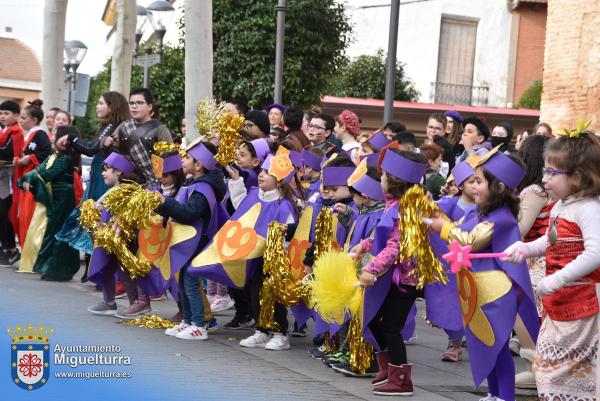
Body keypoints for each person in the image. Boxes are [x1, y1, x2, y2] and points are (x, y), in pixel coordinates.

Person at [428, 149, 539, 401]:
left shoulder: (500, 218)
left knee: (496, 346)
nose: (473, 186)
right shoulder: (480, 212)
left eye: (479, 181)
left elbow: (469, 240)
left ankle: (505, 396)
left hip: (495, 292)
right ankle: (493, 394)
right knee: (483, 345)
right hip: (478, 289)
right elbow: (460, 229)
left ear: (499, 187)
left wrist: (442, 227)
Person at [503, 128, 600, 400]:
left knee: (567, 371)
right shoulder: (561, 206)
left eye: (551, 173)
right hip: (559, 302)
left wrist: (556, 279)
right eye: (544, 171)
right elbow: (551, 240)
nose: (543, 179)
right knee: (546, 368)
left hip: (583, 303)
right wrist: (524, 248)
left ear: (577, 176)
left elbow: (595, 253)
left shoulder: (589, 208)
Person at [190, 147, 300, 350]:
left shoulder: (283, 205)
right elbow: (242, 208)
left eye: (267, 173)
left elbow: (289, 233)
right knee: (255, 293)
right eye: (262, 171)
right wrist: (236, 181)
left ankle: (280, 332)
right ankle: (262, 329)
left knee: (273, 296)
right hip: (253, 257)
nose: (261, 175)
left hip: (273, 260)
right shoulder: (255, 194)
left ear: (280, 181)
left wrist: (279, 254)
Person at [348, 147, 428, 396]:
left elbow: (396, 246)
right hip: (393, 276)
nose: (379, 180)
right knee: (373, 320)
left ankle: (402, 379)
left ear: (394, 181)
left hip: (406, 279)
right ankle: (389, 367)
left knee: (391, 326)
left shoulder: (408, 208)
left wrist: (371, 269)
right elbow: (381, 237)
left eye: (383, 176)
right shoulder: (392, 204)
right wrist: (362, 247)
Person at [159, 140, 229, 340]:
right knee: (183, 280)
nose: (183, 160)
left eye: (187, 157)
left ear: (198, 165)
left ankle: (199, 325)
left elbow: (189, 213)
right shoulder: (192, 183)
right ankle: (188, 321)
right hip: (187, 243)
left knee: (190, 281)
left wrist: (165, 202)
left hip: (197, 243)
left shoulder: (204, 188)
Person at [58, 91, 130, 283]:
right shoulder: (107, 127)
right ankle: (95, 268)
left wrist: (72, 138)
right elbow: (92, 146)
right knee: (93, 221)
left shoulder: (115, 128)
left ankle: (103, 272)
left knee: (101, 222)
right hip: (99, 178)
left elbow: (90, 148)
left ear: (112, 106)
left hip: (105, 181)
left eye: (100, 103)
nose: (97, 107)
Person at [425, 158, 478, 363]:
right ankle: (454, 340)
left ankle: (465, 341)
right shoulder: (444, 205)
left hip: (476, 265)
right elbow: (425, 219)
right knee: (448, 303)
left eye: (480, 181)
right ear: (460, 184)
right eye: (472, 181)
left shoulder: (487, 209)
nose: (476, 186)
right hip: (448, 266)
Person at [511, 134, 552, 389]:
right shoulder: (543, 190)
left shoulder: (534, 191)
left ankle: (537, 365)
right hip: (537, 259)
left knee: (522, 310)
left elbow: (521, 227)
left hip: (537, 262)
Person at [17, 126, 80, 281]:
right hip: (56, 197)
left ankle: (59, 269)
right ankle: (55, 268)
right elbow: (40, 170)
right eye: (63, 137)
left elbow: (45, 174)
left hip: (64, 197)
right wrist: (25, 179)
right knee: (54, 230)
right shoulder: (55, 156)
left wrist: (28, 179)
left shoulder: (65, 158)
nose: (65, 141)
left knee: (58, 231)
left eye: (69, 139)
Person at [101, 88, 169, 185]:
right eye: (131, 103)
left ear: (149, 106)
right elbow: (112, 157)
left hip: (157, 186)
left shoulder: (159, 129)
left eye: (139, 103)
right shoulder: (123, 128)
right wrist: (106, 145)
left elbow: (169, 158)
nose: (134, 106)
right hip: (129, 185)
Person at [14, 99, 51, 250]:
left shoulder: (40, 134)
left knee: (30, 217)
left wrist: (29, 158)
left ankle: (31, 254)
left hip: (34, 182)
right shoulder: (30, 134)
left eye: (23, 118)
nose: (20, 121)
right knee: (23, 217)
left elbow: (47, 154)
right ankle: (26, 253)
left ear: (34, 120)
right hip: (26, 181)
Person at [0, 100, 24, 267]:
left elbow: (7, 152)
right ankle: (5, 248)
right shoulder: (5, 131)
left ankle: (11, 249)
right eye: (1, 113)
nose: (3, 116)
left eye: (6, 113)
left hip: (9, 178)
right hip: (2, 176)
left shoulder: (16, 133)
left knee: (5, 215)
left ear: (16, 116)